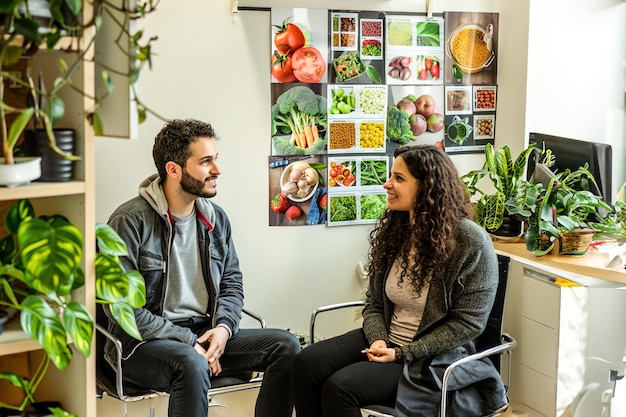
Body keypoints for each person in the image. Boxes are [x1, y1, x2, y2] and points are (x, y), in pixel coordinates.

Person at [104, 119, 301, 417]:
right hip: (141, 345)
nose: (217, 170)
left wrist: (222, 330)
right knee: (191, 362)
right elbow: (121, 309)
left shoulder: (215, 219)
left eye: (215, 159)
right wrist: (188, 342)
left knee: (286, 346)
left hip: (204, 332)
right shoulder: (129, 221)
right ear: (174, 170)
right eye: (205, 162)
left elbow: (232, 284)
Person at [293, 144, 502, 416]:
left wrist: (403, 353)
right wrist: (379, 338)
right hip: (387, 341)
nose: (386, 184)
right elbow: (375, 303)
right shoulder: (398, 229)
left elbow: (467, 324)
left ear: (429, 187)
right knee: (305, 363)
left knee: (339, 388)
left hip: (431, 358)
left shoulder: (471, 242)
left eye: (399, 179)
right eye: (391, 176)